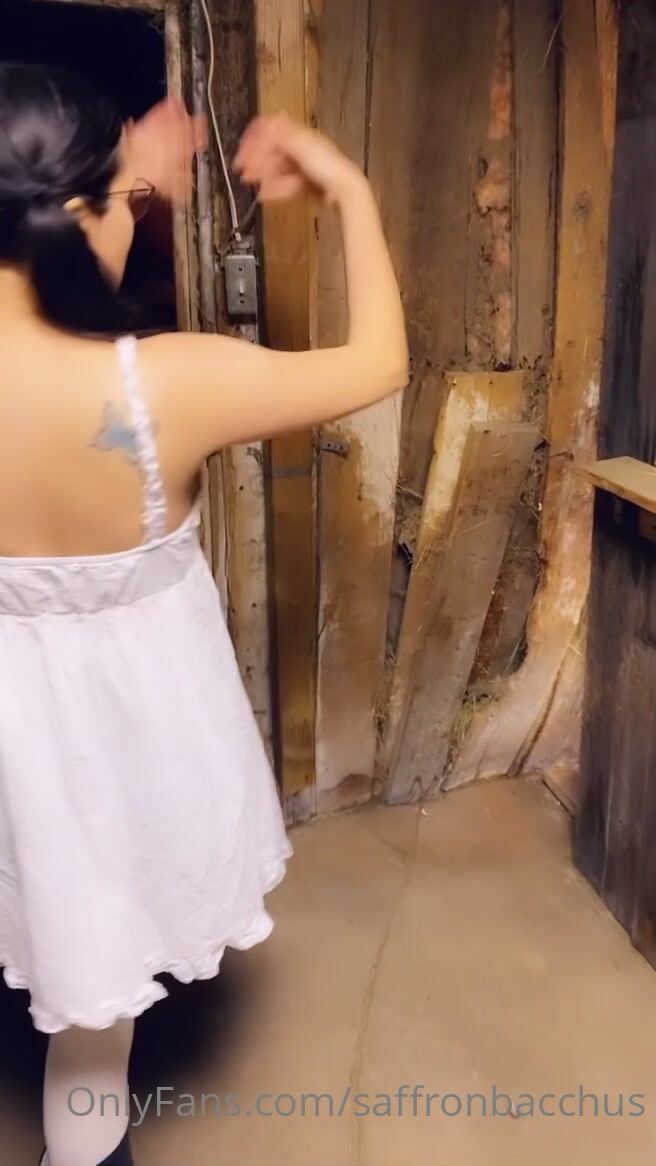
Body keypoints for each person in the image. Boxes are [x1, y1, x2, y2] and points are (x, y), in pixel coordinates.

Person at [0, 62, 408, 1166]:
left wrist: (113, 170)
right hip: (119, 746)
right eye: (122, 204)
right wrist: (349, 189)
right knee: (91, 1025)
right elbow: (380, 361)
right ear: (72, 213)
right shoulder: (167, 385)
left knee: (39, 936)